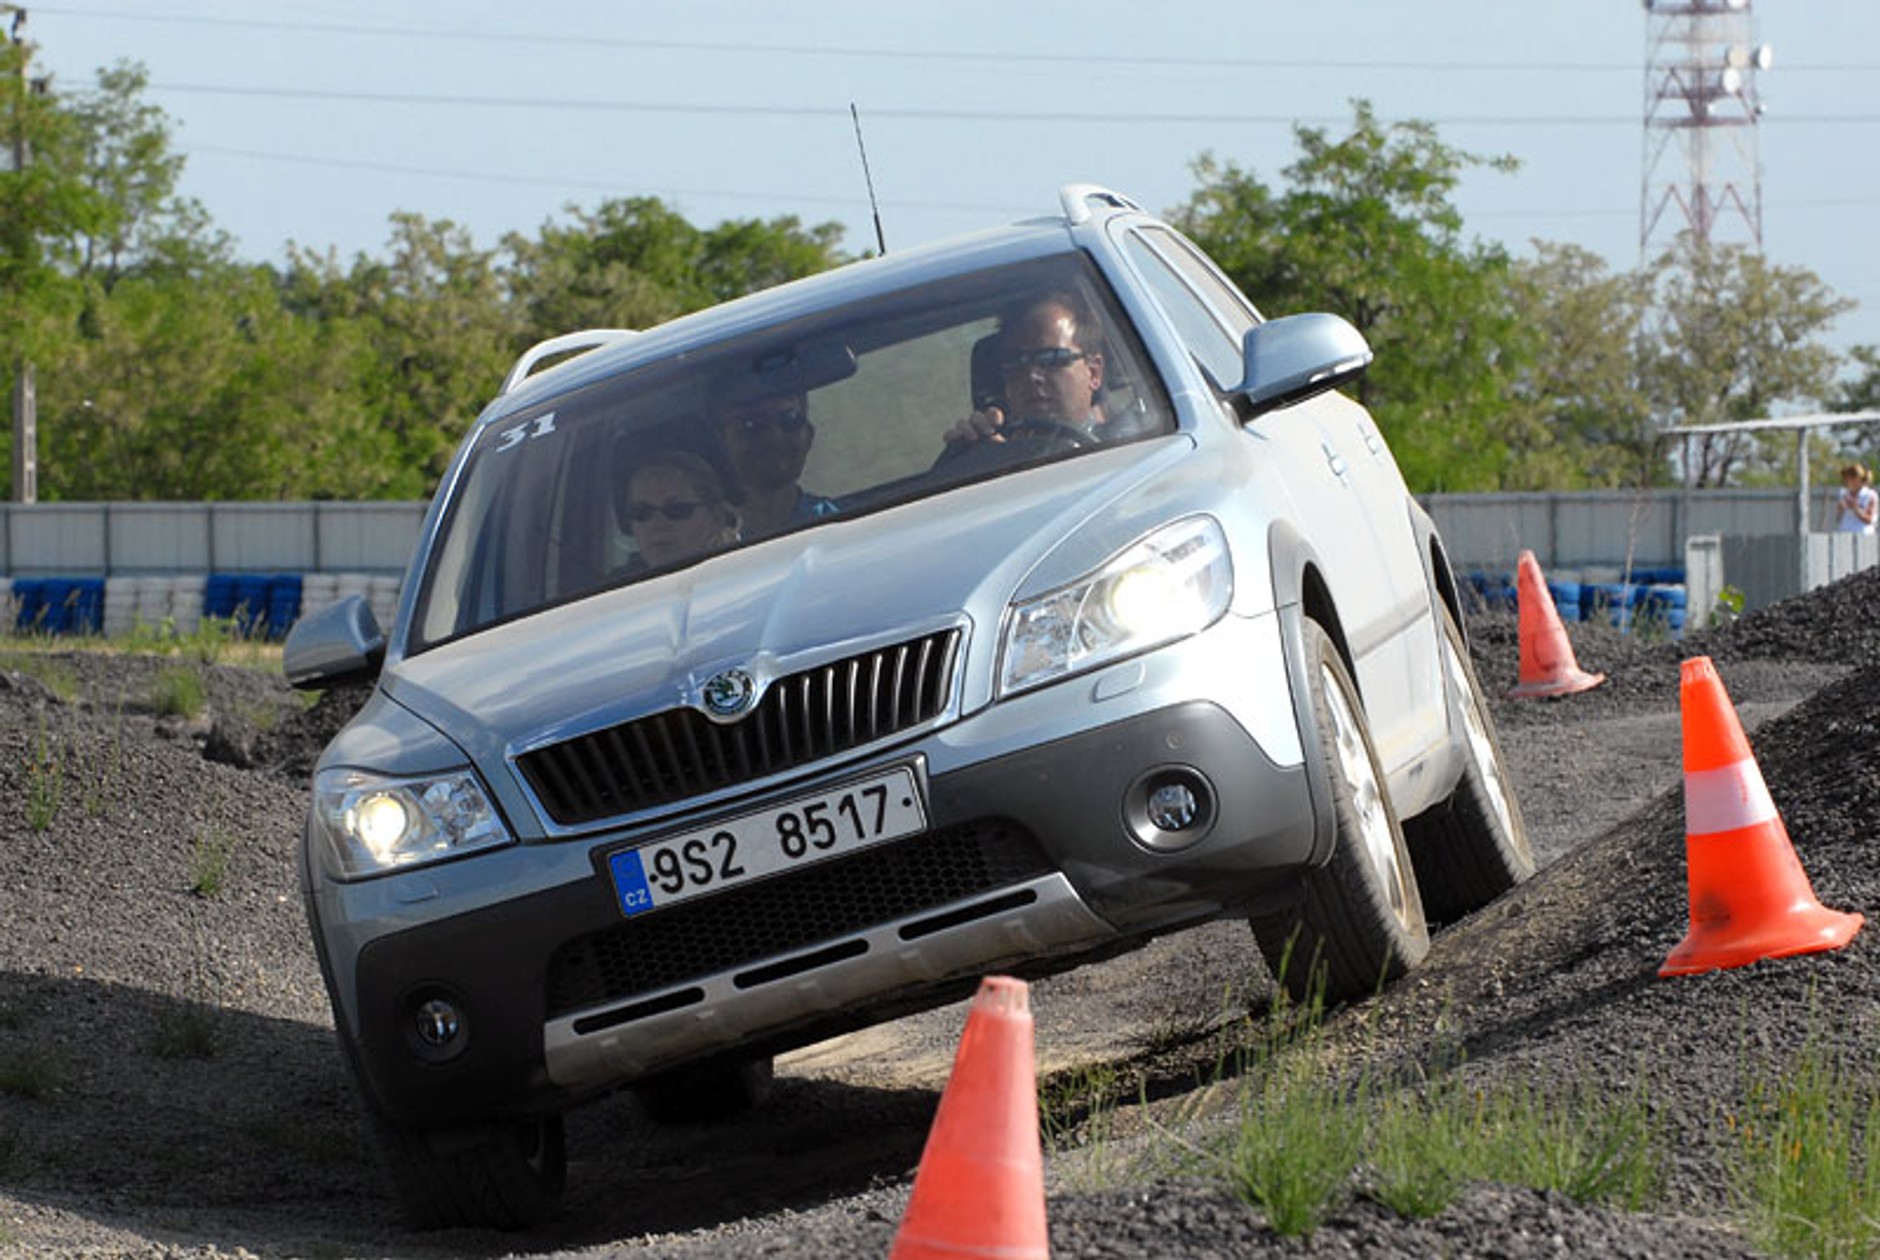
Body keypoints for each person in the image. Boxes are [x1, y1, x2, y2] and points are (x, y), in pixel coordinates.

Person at [943, 290, 1110, 450]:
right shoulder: (992, 453)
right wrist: (973, 459)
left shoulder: (1125, 449)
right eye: (1014, 363)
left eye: (1050, 358)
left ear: (1094, 372)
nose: (1031, 375)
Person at [718, 389, 839, 539]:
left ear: (809, 436)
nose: (774, 437)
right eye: (751, 425)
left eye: (790, 420)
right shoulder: (705, 542)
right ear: (721, 442)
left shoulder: (844, 527)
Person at [622, 450, 740, 570]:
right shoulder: (615, 586)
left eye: (676, 510)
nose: (656, 524)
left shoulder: (746, 572)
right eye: (642, 512)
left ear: (717, 516)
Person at [1835, 462, 1878, 534]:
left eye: (1848, 478)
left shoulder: (1870, 495)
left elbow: (1870, 520)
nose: (1845, 481)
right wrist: (1840, 509)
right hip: (1844, 534)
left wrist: (1855, 509)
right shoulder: (1844, 493)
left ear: (1856, 479)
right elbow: (1838, 519)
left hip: (1863, 537)